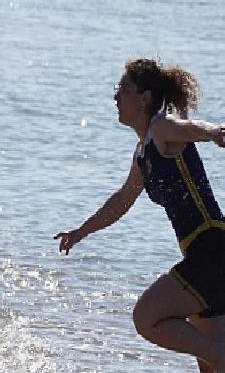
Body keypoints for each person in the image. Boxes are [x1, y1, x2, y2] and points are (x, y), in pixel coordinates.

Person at [54, 58, 225, 372]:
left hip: (213, 251)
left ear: (144, 98)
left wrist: (214, 132)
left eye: (123, 90)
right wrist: (80, 232)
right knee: (211, 366)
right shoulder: (143, 153)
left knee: (147, 317)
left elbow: (189, 128)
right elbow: (121, 201)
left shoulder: (161, 128)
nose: (116, 97)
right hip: (204, 257)